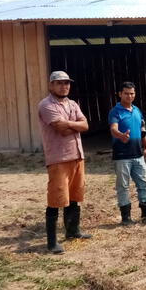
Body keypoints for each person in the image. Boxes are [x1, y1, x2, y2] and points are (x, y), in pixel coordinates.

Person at [38, 71, 92, 254]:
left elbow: (85, 125)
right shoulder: (46, 105)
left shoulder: (72, 104)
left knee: (75, 196)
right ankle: (52, 242)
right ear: (51, 85)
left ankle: (73, 231)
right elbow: (61, 129)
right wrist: (74, 125)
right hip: (58, 158)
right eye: (60, 83)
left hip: (77, 156)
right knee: (56, 198)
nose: (64, 86)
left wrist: (70, 125)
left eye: (67, 83)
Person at [108, 81, 146, 225]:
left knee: (144, 183)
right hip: (122, 156)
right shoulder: (115, 111)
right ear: (120, 94)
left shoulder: (137, 110)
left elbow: (142, 129)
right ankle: (126, 217)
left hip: (138, 155)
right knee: (123, 186)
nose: (129, 96)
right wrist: (120, 135)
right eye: (126, 93)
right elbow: (113, 129)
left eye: (132, 93)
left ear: (135, 94)